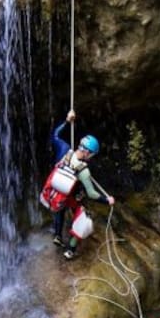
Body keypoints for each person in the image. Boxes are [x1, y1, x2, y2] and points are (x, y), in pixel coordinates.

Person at [40, 109, 115, 260]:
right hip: (69, 197)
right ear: (88, 153)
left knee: (60, 206)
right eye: (92, 155)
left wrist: (67, 121)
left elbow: (54, 135)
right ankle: (71, 250)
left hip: (52, 194)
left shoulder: (64, 149)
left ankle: (57, 235)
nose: (91, 158)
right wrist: (107, 200)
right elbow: (92, 194)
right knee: (84, 220)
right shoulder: (83, 171)